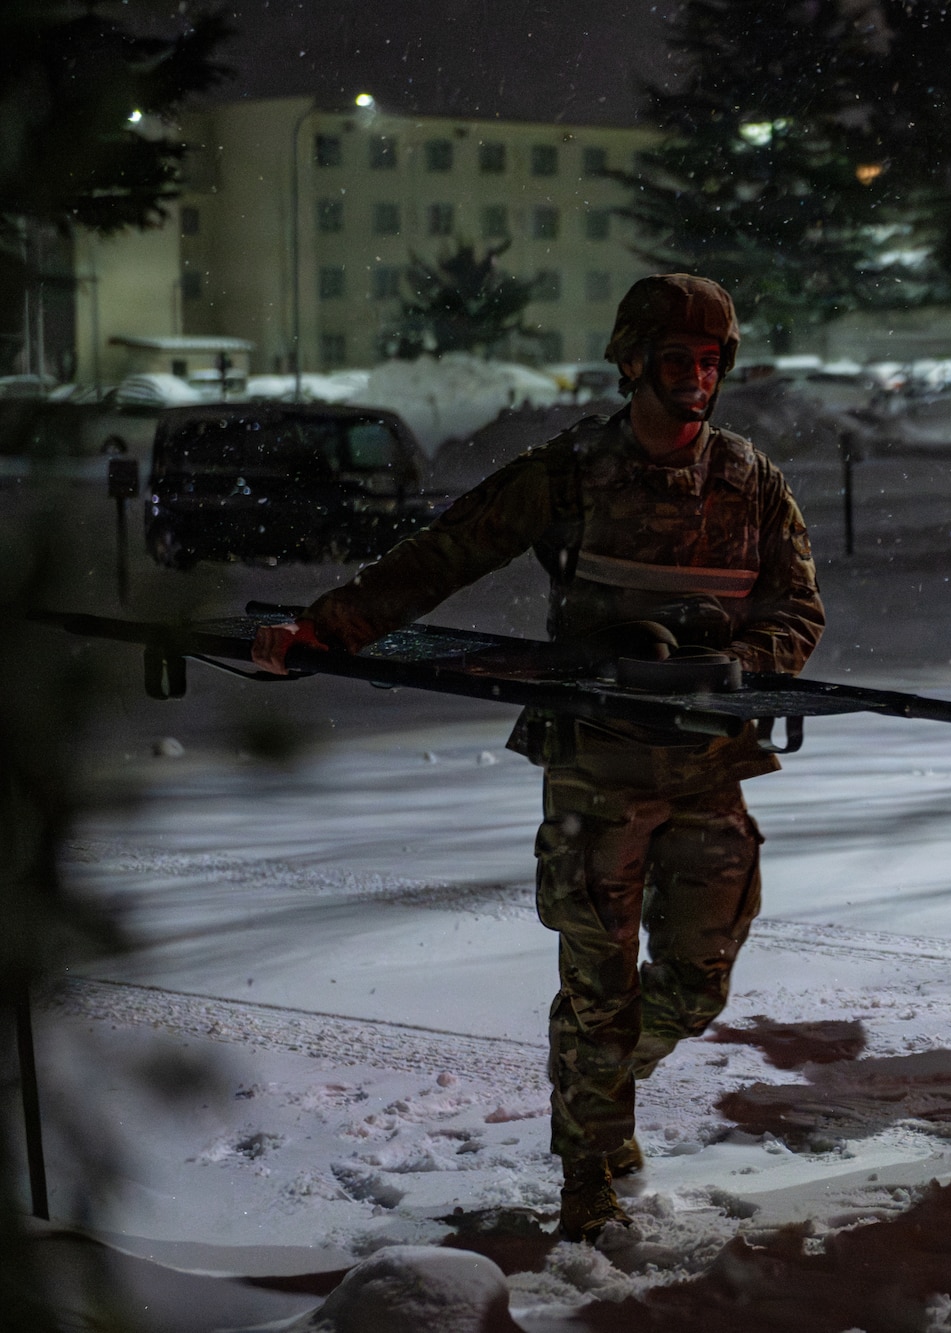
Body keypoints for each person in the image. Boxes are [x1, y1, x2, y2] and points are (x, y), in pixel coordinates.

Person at [250, 275, 824, 1243]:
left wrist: (735, 665)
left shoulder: (750, 479)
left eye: (711, 360)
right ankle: (587, 1168)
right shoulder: (569, 473)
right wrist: (325, 626)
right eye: (678, 358)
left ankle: (598, 1084)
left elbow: (797, 609)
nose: (697, 377)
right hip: (594, 768)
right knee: (598, 986)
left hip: (705, 764)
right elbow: (443, 553)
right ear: (632, 361)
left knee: (696, 982)